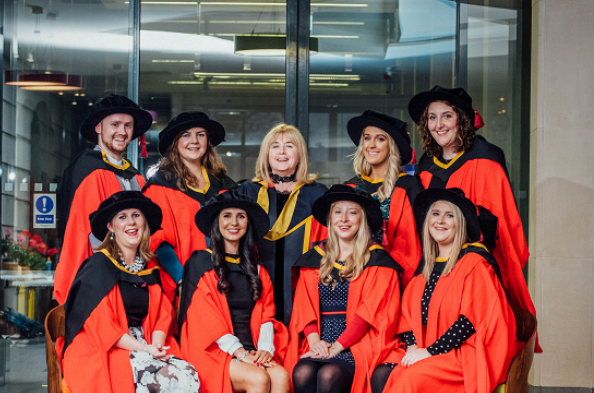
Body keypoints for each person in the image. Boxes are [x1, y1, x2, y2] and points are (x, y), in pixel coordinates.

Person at [339, 188, 516, 393]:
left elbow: (472, 320)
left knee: (408, 379)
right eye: (435, 214)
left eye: (450, 215)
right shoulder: (426, 270)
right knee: (385, 372)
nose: (441, 220)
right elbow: (409, 317)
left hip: (468, 356)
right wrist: (411, 347)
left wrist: (429, 352)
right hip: (433, 353)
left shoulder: (474, 263)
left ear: (460, 224)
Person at [409, 85, 538, 393]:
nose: (439, 124)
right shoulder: (426, 167)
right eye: (431, 118)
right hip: (442, 276)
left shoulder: (486, 158)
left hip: (479, 275)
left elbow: (504, 227)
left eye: (446, 116)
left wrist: (474, 266)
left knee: (473, 351)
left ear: (462, 120)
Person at [59, 191, 222, 393]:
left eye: (136, 216)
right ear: (110, 226)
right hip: (104, 348)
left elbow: (161, 315)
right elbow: (99, 326)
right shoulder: (98, 267)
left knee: (187, 373)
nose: (131, 222)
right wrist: (146, 349)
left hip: (146, 345)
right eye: (122, 217)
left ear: (145, 223)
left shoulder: (150, 266)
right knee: (167, 378)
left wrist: (157, 344)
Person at [283, 185, 402, 393]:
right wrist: (312, 339)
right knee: (302, 372)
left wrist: (338, 346)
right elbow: (304, 305)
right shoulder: (316, 257)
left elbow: (369, 313)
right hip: (321, 339)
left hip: (358, 343)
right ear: (329, 218)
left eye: (353, 212)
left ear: (363, 220)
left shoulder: (377, 260)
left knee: (330, 375)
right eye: (338, 212)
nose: (344, 219)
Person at [177, 191, 291, 393]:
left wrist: (264, 349)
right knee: (257, 380)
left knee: (280, 376)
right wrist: (241, 353)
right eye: (226, 216)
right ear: (216, 223)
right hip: (212, 350)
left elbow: (267, 313)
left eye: (240, 216)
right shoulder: (201, 263)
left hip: (251, 351)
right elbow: (204, 318)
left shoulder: (257, 269)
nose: (234, 222)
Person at [55, 95, 153, 305]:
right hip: (98, 278)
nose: (122, 131)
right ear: (99, 127)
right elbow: (90, 234)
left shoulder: (136, 177)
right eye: (115, 124)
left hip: (132, 278)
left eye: (128, 125)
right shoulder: (87, 171)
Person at [237, 124, 328, 325]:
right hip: (255, 285)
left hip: (304, 287)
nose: (282, 152)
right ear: (267, 153)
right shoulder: (248, 192)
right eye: (275, 146)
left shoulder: (316, 194)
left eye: (289, 146)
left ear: (300, 153)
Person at [143, 112, 237, 306]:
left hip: (225, 283)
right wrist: (182, 280)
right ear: (175, 142)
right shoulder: (159, 187)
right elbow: (158, 241)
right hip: (181, 286)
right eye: (186, 135)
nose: (194, 141)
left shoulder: (225, 186)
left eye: (200, 134)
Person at [345, 110, 422, 288]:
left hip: (398, 278)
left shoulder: (408, 186)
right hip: (355, 279)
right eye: (367, 138)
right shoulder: (351, 188)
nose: (371, 145)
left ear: (392, 145)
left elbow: (416, 242)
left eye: (380, 139)